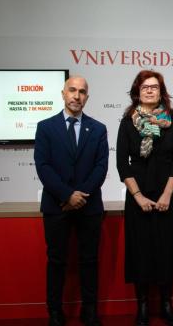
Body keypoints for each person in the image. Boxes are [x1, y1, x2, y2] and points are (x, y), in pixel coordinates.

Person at [34, 76, 109, 326]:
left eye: (82, 92)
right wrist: (67, 195)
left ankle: (90, 310)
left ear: (87, 96)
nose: (77, 96)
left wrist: (79, 196)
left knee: (89, 260)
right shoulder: (45, 127)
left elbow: (101, 167)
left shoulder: (98, 128)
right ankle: (54, 311)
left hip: (89, 206)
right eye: (72, 90)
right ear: (63, 93)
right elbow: (43, 166)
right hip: (56, 205)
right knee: (56, 260)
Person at [116, 70, 173, 326]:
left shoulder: (172, 120)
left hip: (167, 194)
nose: (149, 90)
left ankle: (167, 304)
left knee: (166, 251)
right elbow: (122, 164)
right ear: (137, 91)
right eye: (144, 87)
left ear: (161, 91)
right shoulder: (128, 121)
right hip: (138, 197)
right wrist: (138, 196)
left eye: (154, 87)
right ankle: (142, 306)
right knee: (140, 252)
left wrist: (167, 194)